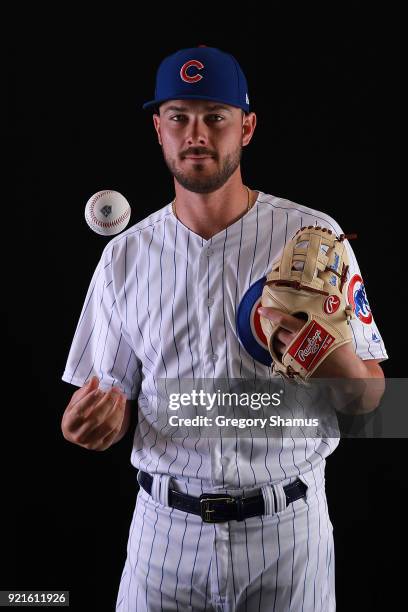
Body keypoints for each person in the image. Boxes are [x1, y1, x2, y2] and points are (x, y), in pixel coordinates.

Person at [61, 46, 388, 611]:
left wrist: (332, 359)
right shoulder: (124, 257)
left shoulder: (312, 233)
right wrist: (94, 424)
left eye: (215, 117)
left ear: (247, 127)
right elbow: (107, 403)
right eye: (180, 116)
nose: (197, 133)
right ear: (158, 128)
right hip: (164, 535)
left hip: (289, 535)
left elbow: (379, 403)